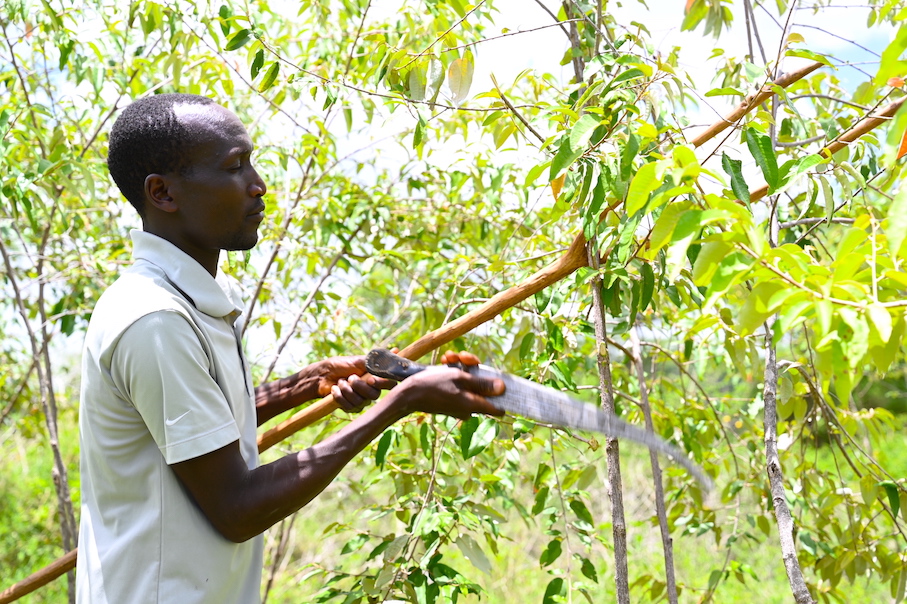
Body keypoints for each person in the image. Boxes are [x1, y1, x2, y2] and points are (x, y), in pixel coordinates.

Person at [76, 92, 504, 603]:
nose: (258, 185)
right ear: (163, 193)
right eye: (235, 167)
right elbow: (237, 507)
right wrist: (403, 403)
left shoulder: (192, 301)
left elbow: (199, 430)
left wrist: (308, 382)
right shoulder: (155, 320)